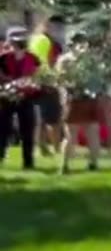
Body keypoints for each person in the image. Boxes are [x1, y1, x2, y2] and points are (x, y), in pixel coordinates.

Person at [56, 31, 111, 174]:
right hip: (89, 98)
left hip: (74, 98)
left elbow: (60, 80)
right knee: (92, 133)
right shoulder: (92, 60)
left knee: (71, 135)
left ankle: (65, 165)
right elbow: (99, 81)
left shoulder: (65, 60)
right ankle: (93, 164)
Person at [0, 27, 42, 170]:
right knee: (3, 128)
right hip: (6, 97)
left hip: (26, 97)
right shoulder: (3, 58)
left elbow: (37, 75)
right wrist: (10, 82)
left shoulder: (33, 58)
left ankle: (28, 162)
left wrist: (29, 83)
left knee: (27, 129)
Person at [28, 14, 66, 156]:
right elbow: (53, 62)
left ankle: (41, 146)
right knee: (53, 118)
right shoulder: (51, 42)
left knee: (41, 118)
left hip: (34, 80)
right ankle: (57, 148)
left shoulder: (34, 39)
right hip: (48, 81)